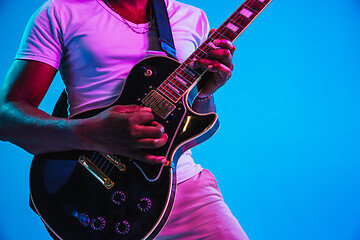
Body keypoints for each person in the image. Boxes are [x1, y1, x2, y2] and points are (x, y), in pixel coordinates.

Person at [0, 0, 248, 239]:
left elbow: (190, 126)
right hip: (93, 191)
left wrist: (205, 90)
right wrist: (90, 133)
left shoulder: (193, 18)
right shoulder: (60, 11)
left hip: (181, 187)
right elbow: (6, 115)